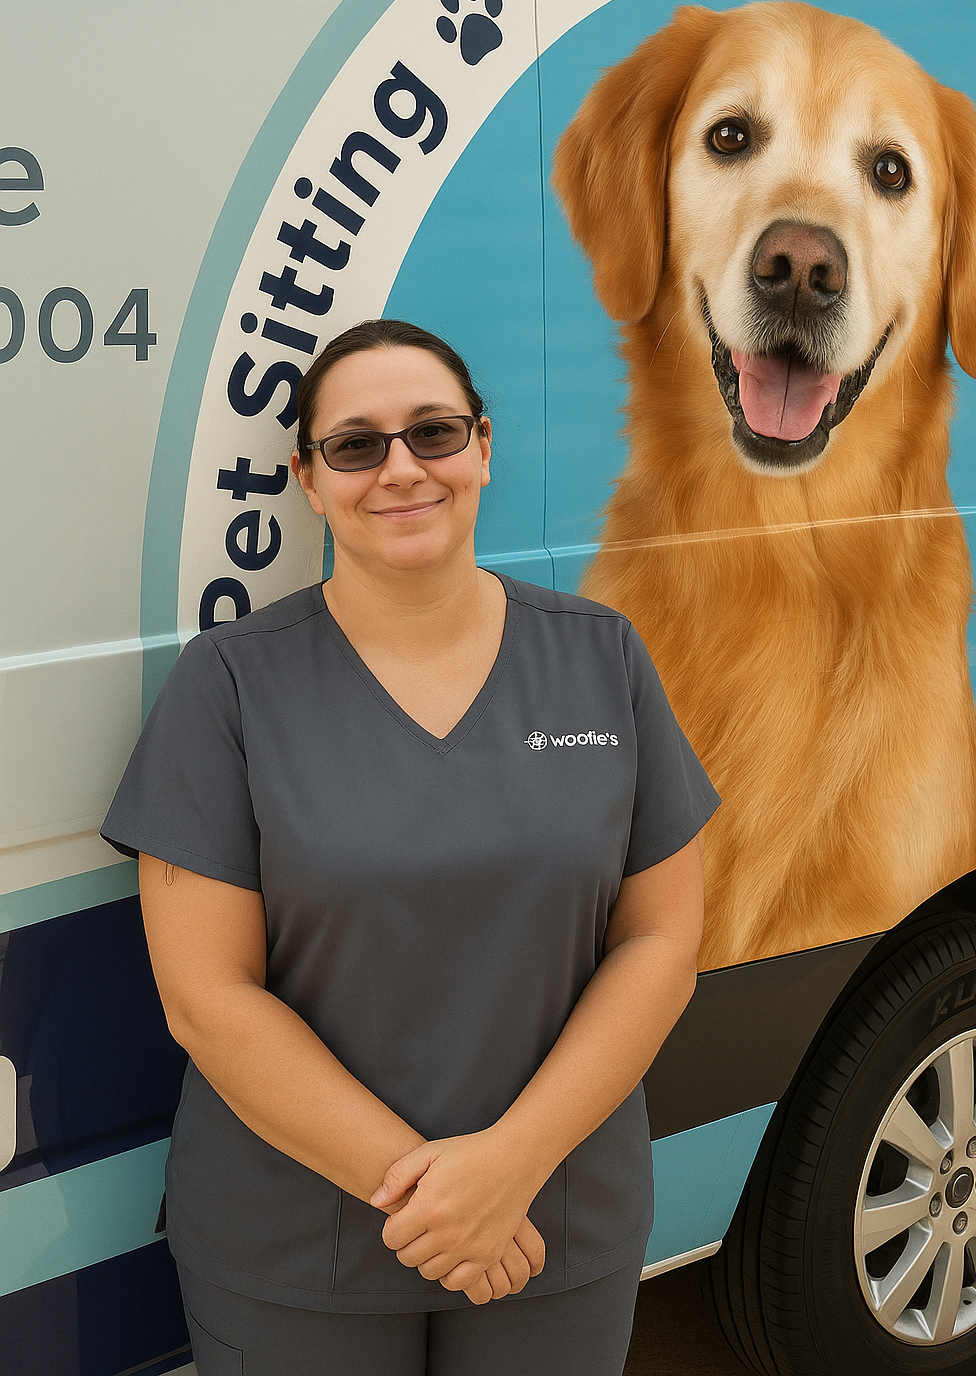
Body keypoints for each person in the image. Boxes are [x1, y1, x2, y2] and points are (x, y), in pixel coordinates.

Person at [102, 319, 718, 1376]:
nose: (400, 469)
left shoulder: (598, 655)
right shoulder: (230, 685)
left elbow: (661, 941)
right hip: (298, 1246)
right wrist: (442, 1199)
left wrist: (507, 1173)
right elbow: (207, 997)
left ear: (481, 447)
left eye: (431, 433)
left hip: (549, 1224)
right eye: (355, 445)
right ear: (308, 478)